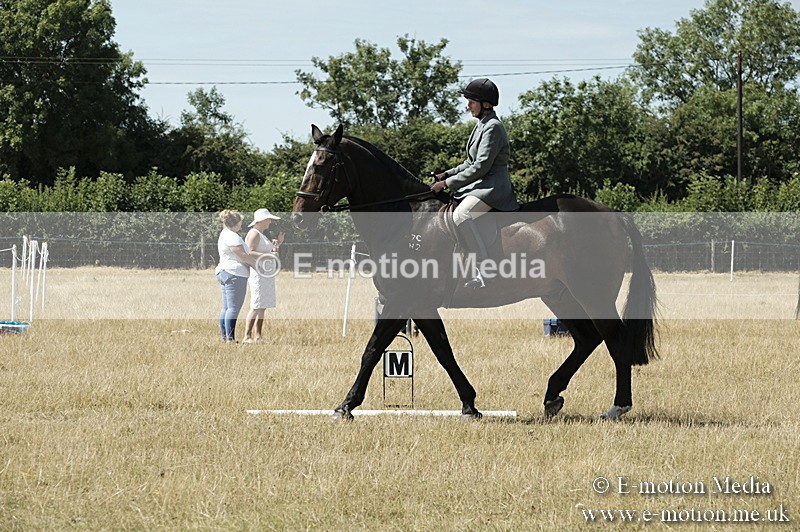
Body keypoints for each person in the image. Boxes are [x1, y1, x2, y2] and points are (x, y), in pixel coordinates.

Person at [430, 77, 519, 289]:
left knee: (462, 215)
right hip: (480, 185)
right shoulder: (481, 125)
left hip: (493, 188)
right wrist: (446, 174)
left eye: (471, 101)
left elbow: (481, 167)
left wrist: (447, 184)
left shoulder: (493, 127)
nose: (468, 105)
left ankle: (485, 268)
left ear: (485, 104)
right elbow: (469, 162)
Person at [242, 208, 285, 344]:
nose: (270, 222)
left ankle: (258, 336)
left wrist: (277, 244)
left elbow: (269, 251)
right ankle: (247, 336)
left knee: (262, 305)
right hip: (259, 273)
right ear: (261, 220)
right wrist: (269, 255)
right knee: (256, 305)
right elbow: (249, 251)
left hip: (266, 273)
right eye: (268, 219)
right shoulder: (254, 234)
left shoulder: (262, 234)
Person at [215, 209, 257, 343]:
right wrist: (257, 266)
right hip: (235, 273)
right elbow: (243, 255)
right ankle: (230, 339)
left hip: (224, 271)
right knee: (233, 308)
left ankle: (225, 336)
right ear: (236, 223)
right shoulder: (233, 236)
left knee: (226, 308)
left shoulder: (224, 234)